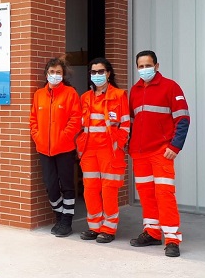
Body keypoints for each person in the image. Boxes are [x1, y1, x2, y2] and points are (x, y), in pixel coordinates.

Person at [128, 50, 190, 257]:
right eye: (140, 66)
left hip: (161, 152)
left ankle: (172, 239)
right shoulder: (134, 90)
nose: (144, 69)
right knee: (146, 196)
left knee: (164, 195)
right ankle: (153, 233)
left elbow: (183, 118)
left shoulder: (170, 87)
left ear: (157, 66)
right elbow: (132, 122)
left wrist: (175, 146)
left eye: (147, 65)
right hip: (140, 153)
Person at [76, 57, 130, 243]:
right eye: (93, 72)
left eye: (101, 71)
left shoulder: (119, 95)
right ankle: (95, 226)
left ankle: (109, 228)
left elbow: (125, 125)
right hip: (89, 151)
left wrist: (118, 144)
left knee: (109, 190)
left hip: (110, 151)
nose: (97, 75)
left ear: (108, 73)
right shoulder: (85, 98)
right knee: (90, 189)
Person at [29, 57, 82, 237]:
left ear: (63, 74)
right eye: (52, 72)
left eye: (58, 72)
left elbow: (76, 120)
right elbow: (33, 120)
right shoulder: (38, 95)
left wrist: (64, 137)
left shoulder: (70, 94)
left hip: (65, 148)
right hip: (44, 148)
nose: (55, 75)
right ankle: (59, 215)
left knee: (67, 185)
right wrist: (37, 136)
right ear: (46, 74)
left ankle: (66, 221)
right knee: (51, 185)